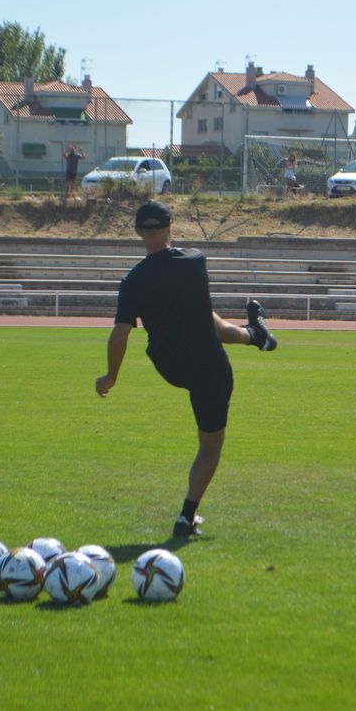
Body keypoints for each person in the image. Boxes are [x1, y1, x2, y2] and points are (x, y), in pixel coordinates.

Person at [95, 200, 278, 538]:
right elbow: (206, 319)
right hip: (208, 366)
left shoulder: (132, 280)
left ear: (137, 232)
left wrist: (111, 377)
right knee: (210, 445)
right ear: (170, 226)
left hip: (170, 366)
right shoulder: (195, 262)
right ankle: (186, 516)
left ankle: (258, 336)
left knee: (211, 325)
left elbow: (120, 334)